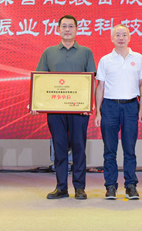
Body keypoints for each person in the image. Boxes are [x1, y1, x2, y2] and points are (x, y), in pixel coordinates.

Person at [32, 15, 96, 200]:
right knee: (59, 148)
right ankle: (61, 187)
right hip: (56, 109)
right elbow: (41, 80)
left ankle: (79, 188)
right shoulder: (49, 52)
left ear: (76, 29)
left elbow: (91, 79)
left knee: (79, 148)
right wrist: (36, 102)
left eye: (71, 26)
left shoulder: (86, 52)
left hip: (79, 110)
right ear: (58, 29)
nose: (67, 29)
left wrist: (89, 104)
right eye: (64, 26)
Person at [94, 24, 142, 200]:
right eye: (117, 35)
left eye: (124, 35)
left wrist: (141, 107)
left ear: (129, 38)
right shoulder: (105, 60)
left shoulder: (138, 58)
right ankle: (110, 186)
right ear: (112, 38)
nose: (121, 38)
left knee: (129, 149)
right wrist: (98, 112)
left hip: (131, 106)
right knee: (109, 149)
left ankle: (131, 185)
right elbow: (100, 86)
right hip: (109, 106)